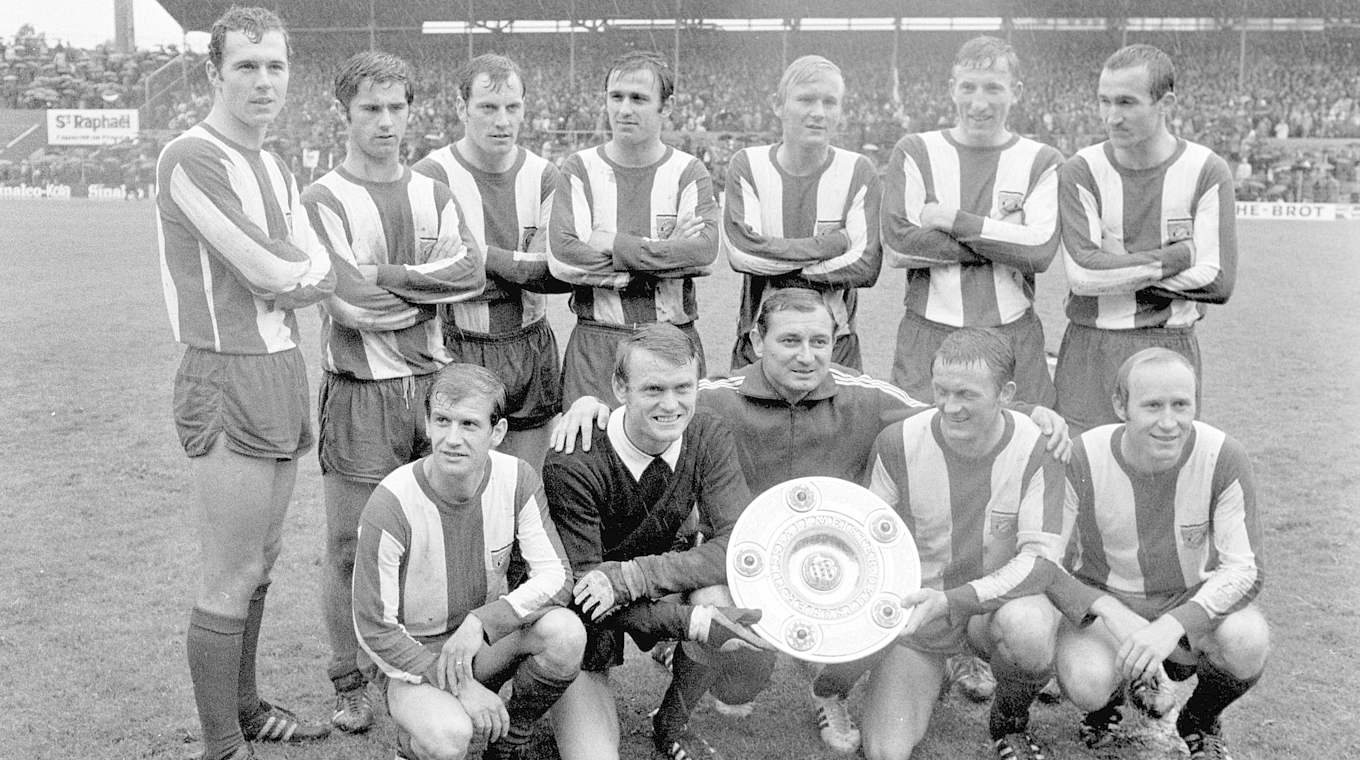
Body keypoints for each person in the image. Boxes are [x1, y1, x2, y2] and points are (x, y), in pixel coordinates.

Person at [553, 292, 1074, 754]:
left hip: (835, 569)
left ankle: (831, 689)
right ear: (756, 340)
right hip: (746, 564)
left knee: (879, 612)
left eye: (820, 341)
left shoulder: (866, 397)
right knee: (737, 675)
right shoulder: (711, 399)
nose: (807, 356)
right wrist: (589, 405)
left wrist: (1028, 412)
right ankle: (696, 676)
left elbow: (947, 407)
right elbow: (656, 397)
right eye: (790, 340)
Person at [155, 8, 334, 760]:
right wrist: (300, 274)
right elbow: (272, 269)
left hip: (280, 369)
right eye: (246, 67)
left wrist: (300, 273)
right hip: (225, 371)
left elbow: (314, 263)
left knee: (262, 562)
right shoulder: (190, 157)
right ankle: (223, 745)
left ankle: (249, 707)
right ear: (214, 74)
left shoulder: (276, 164)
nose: (264, 81)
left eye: (275, 66)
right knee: (230, 570)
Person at [301, 51, 487, 734]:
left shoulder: (434, 191)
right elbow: (349, 300)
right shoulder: (321, 199)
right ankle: (348, 679)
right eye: (370, 109)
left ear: (413, 110)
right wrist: (415, 288)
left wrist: (386, 276)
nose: (385, 122)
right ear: (345, 114)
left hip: (434, 391)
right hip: (359, 393)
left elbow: (470, 272)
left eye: (396, 108)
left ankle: (422, 664)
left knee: (437, 533)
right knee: (350, 545)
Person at [810, 328, 1085, 760]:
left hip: (994, 610)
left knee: (1030, 633)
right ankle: (929, 672)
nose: (950, 407)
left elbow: (1040, 564)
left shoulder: (1040, 447)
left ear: (1006, 394)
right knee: (886, 751)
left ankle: (1008, 720)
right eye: (941, 391)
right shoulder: (898, 441)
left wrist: (953, 599)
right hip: (924, 616)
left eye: (966, 395)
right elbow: (866, 546)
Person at [542, 324, 772, 760]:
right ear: (619, 387)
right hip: (582, 611)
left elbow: (741, 545)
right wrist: (692, 622)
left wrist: (636, 576)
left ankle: (670, 722)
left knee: (721, 597)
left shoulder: (707, 432)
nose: (671, 405)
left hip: (638, 582)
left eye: (683, 387)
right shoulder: (573, 460)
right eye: (653, 389)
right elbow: (588, 594)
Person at [351, 364, 585, 760]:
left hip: (479, 644)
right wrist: (460, 686)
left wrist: (482, 621)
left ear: (498, 433)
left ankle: (512, 735)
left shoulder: (517, 479)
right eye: (442, 421)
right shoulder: (391, 503)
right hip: (413, 657)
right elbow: (374, 629)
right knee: (448, 736)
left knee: (566, 634)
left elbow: (556, 576)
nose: (452, 439)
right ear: (426, 424)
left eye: (469, 424)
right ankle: (412, 745)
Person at [1054, 349, 1269, 759]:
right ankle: (1108, 706)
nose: (1169, 422)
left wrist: (1173, 624)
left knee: (1247, 639)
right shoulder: (1082, 456)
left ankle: (1200, 720)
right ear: (1121, 405)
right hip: (1109, 607)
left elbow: (1246, 569)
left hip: (1187, 603)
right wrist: (1110, 612)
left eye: (1181, 405)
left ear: (1196, 403)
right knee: (1086, 681)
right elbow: (1045, 565)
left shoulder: (1223, 455)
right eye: (1152, 405)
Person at [1054, 43, 1237, 434]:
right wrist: (1177, 257)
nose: (1111, 117)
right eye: (1104, 101)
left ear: (1165, 102)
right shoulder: (1082, 170)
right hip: (1092, 346)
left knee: (1161, 478)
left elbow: (1218, 281)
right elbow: (1084, 276)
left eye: (1126, 102)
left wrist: (1118, 263)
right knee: (1082, 470)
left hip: (1168, 346)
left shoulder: (1206, 170)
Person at [881, 35, 1062, 409]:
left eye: (994, 88)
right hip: (928, 334)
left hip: (1012, 335)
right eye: (968, 87)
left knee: (1024, 448)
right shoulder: (916, 151)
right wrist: (1005, 238)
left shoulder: (1042, 160)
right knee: (919, 445)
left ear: (1017, 92)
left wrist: (950, 219)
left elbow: (1040, 252)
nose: (979, 102)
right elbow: (899, 244)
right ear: (952, 89)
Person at [413, 53, 566, 472]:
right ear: (461, 108)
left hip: (531, 345)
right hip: (459, 343)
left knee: (524, 484)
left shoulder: (544, 175)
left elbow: (557, 273)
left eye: (511, 107)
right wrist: (519, 270)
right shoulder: (431, 175)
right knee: (462, 485)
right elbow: (431, 279)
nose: (502, 120)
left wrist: (478, 257)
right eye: (488, 107)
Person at [547, 51, 719, 406]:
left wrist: (613, 243)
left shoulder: (689, 171)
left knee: (672, 457)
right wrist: (665, 252)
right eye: (616, 97)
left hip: (672, 341)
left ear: (666, 107)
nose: (625, 109)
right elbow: (565, 258)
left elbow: (704, 254)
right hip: (597, 343)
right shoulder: (579, 168)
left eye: (639, 98)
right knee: (588, 456)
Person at [722, 55, 881, 371]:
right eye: (806, 99)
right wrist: (833, 245)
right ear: (777, 105)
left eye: (830, 102)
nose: (818, 113)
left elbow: (865, 265)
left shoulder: (858, 170)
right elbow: (743, 254)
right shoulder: (748, 165)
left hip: (836, 347)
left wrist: (784, 271)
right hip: (759, 341)